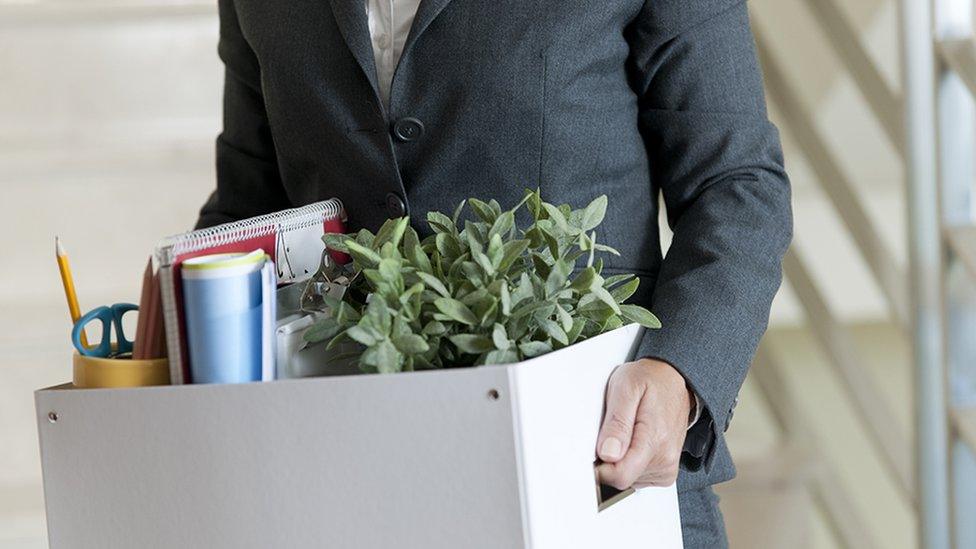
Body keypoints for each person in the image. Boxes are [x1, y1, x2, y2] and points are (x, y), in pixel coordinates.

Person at [196, 0, 792, 546]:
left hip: (598, 471)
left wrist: (678, 373)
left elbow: (736, 183)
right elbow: (249, 206)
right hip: (352, 481)